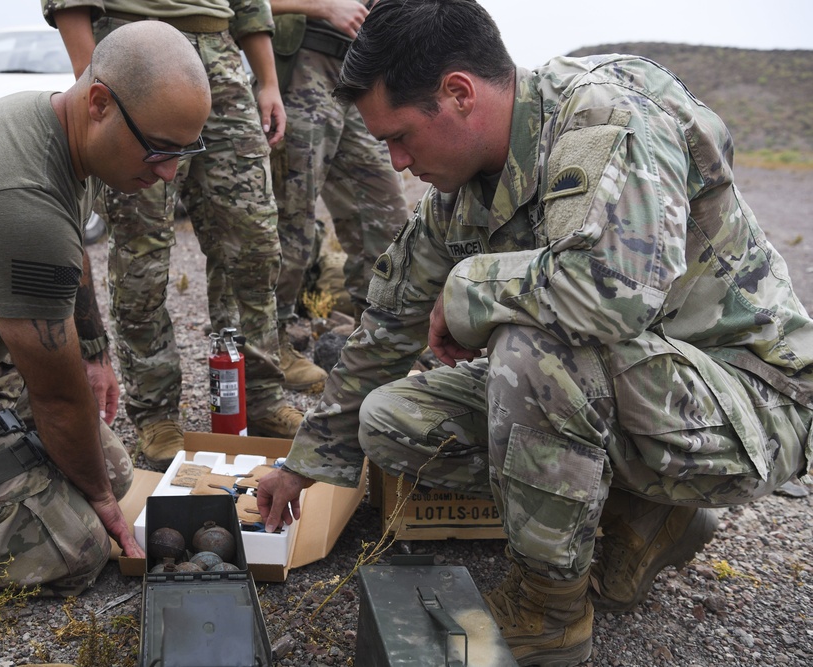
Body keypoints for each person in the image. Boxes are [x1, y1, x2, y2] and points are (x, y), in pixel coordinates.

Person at [256, 1, 813, 665]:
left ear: (459, 94)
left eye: (401, 136)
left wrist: (471, 290)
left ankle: (549, 609)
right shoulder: (461, 191)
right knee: (392, 418)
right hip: (647, 391)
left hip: (749, 401)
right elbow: (385, 327)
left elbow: (611, 294)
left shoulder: (605, 116)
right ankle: (640, 515)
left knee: (534, 345)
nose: (399, 162)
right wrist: (305, 463)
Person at [0, 20, 210, 596]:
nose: (167, 173)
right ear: (100, 103)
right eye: (158, 149)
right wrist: (103, 504)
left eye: (183, 152)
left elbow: (70, 246)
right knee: (79, 546)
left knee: (114, 469)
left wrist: (94, 351)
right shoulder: (18, 204)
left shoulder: (54, 122)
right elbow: (55, 396)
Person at [44, 0, 305, 469]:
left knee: (254, 244)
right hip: (134, 52)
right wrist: (93, 77)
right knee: (143, 255)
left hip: (221, 59)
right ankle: (156, 412)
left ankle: (259, 394)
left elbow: (248, 3)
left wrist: (267, 81)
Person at [268, 0, 406, 390]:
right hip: (302, 67)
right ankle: (268, 342)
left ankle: (379, 336)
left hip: (362, 70)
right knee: (289, 219)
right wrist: (322, 7)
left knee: (386, 216)